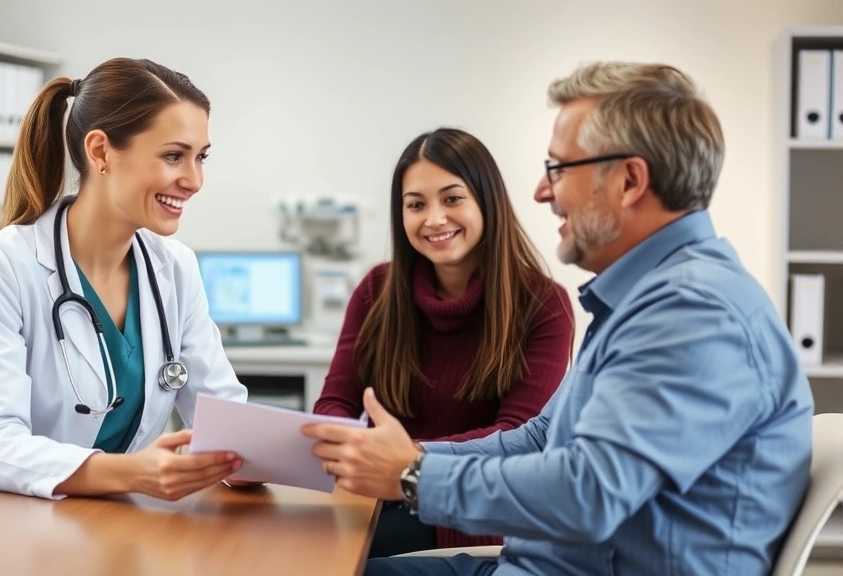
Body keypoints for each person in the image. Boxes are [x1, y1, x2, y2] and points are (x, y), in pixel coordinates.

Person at [304, 61, 814, 576]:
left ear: (630, 180)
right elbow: (537, 437)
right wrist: (395, 456)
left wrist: (414, 475)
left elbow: (590, 493)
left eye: (559, 169)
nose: (542, 192)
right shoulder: (643, 298)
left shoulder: (694, 311)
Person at [0, 57, 251, 501]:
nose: (194, 180)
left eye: (200, 157)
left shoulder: (175, 268)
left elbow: (222, 414)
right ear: (100, 151)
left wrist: (251, 455)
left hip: (116, 524)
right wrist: (133, 474)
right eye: (173, 156)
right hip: (6, 521)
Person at [313, 128, 574, 556]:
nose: (433, 219)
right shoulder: (376, 290)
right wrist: (345, 443)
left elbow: (517, 438)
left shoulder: (544, 305)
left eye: (452, 199)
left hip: (466, 516)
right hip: (375, 495)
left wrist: (405, 460)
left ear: (486, 201)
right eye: (416, 204)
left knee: (325, 556)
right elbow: (334, 404)